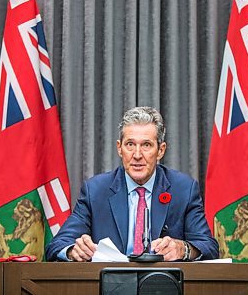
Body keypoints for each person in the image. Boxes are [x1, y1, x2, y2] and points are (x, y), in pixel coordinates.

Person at [45, 106, 218, 262]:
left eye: (146, 145)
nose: (137, 155)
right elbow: (57, 245)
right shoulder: (96, 190)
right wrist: (73, 251)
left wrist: (184, 249)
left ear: (161, 150)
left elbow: (209, 247)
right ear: (119, 148)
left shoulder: (183, 189)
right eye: (130, 144)